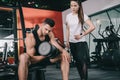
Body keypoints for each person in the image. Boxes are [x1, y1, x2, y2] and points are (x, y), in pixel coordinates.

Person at [65, 0, 95, 80]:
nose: (73, 7)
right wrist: (67, 40)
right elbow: (67, 29)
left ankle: (84, 78)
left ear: (79, 6)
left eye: (75, 5)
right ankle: (82, 77)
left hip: (80, 42)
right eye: (71, 5)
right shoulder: (68, 16)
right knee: (77, 62)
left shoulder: (82, 15)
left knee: (82, 61)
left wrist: (81, 35)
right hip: (72, 43)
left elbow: (92, 27)